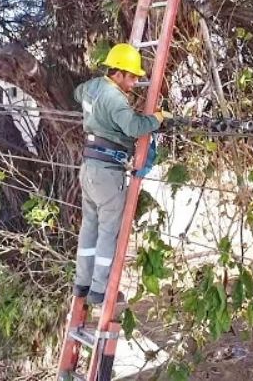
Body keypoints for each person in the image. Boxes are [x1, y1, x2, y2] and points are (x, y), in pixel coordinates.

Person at [72, 43, 170, 307]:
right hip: (108, 173)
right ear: (118, 73)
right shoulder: (115, 98)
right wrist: (157, 118)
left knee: (89, 227)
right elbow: (135, 127)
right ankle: (100, 291)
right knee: (108, 232)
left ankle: (82, 283)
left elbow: (77, 92)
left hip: (89, 168)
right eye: (132, 76)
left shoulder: (92, 87)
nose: (136, 82)